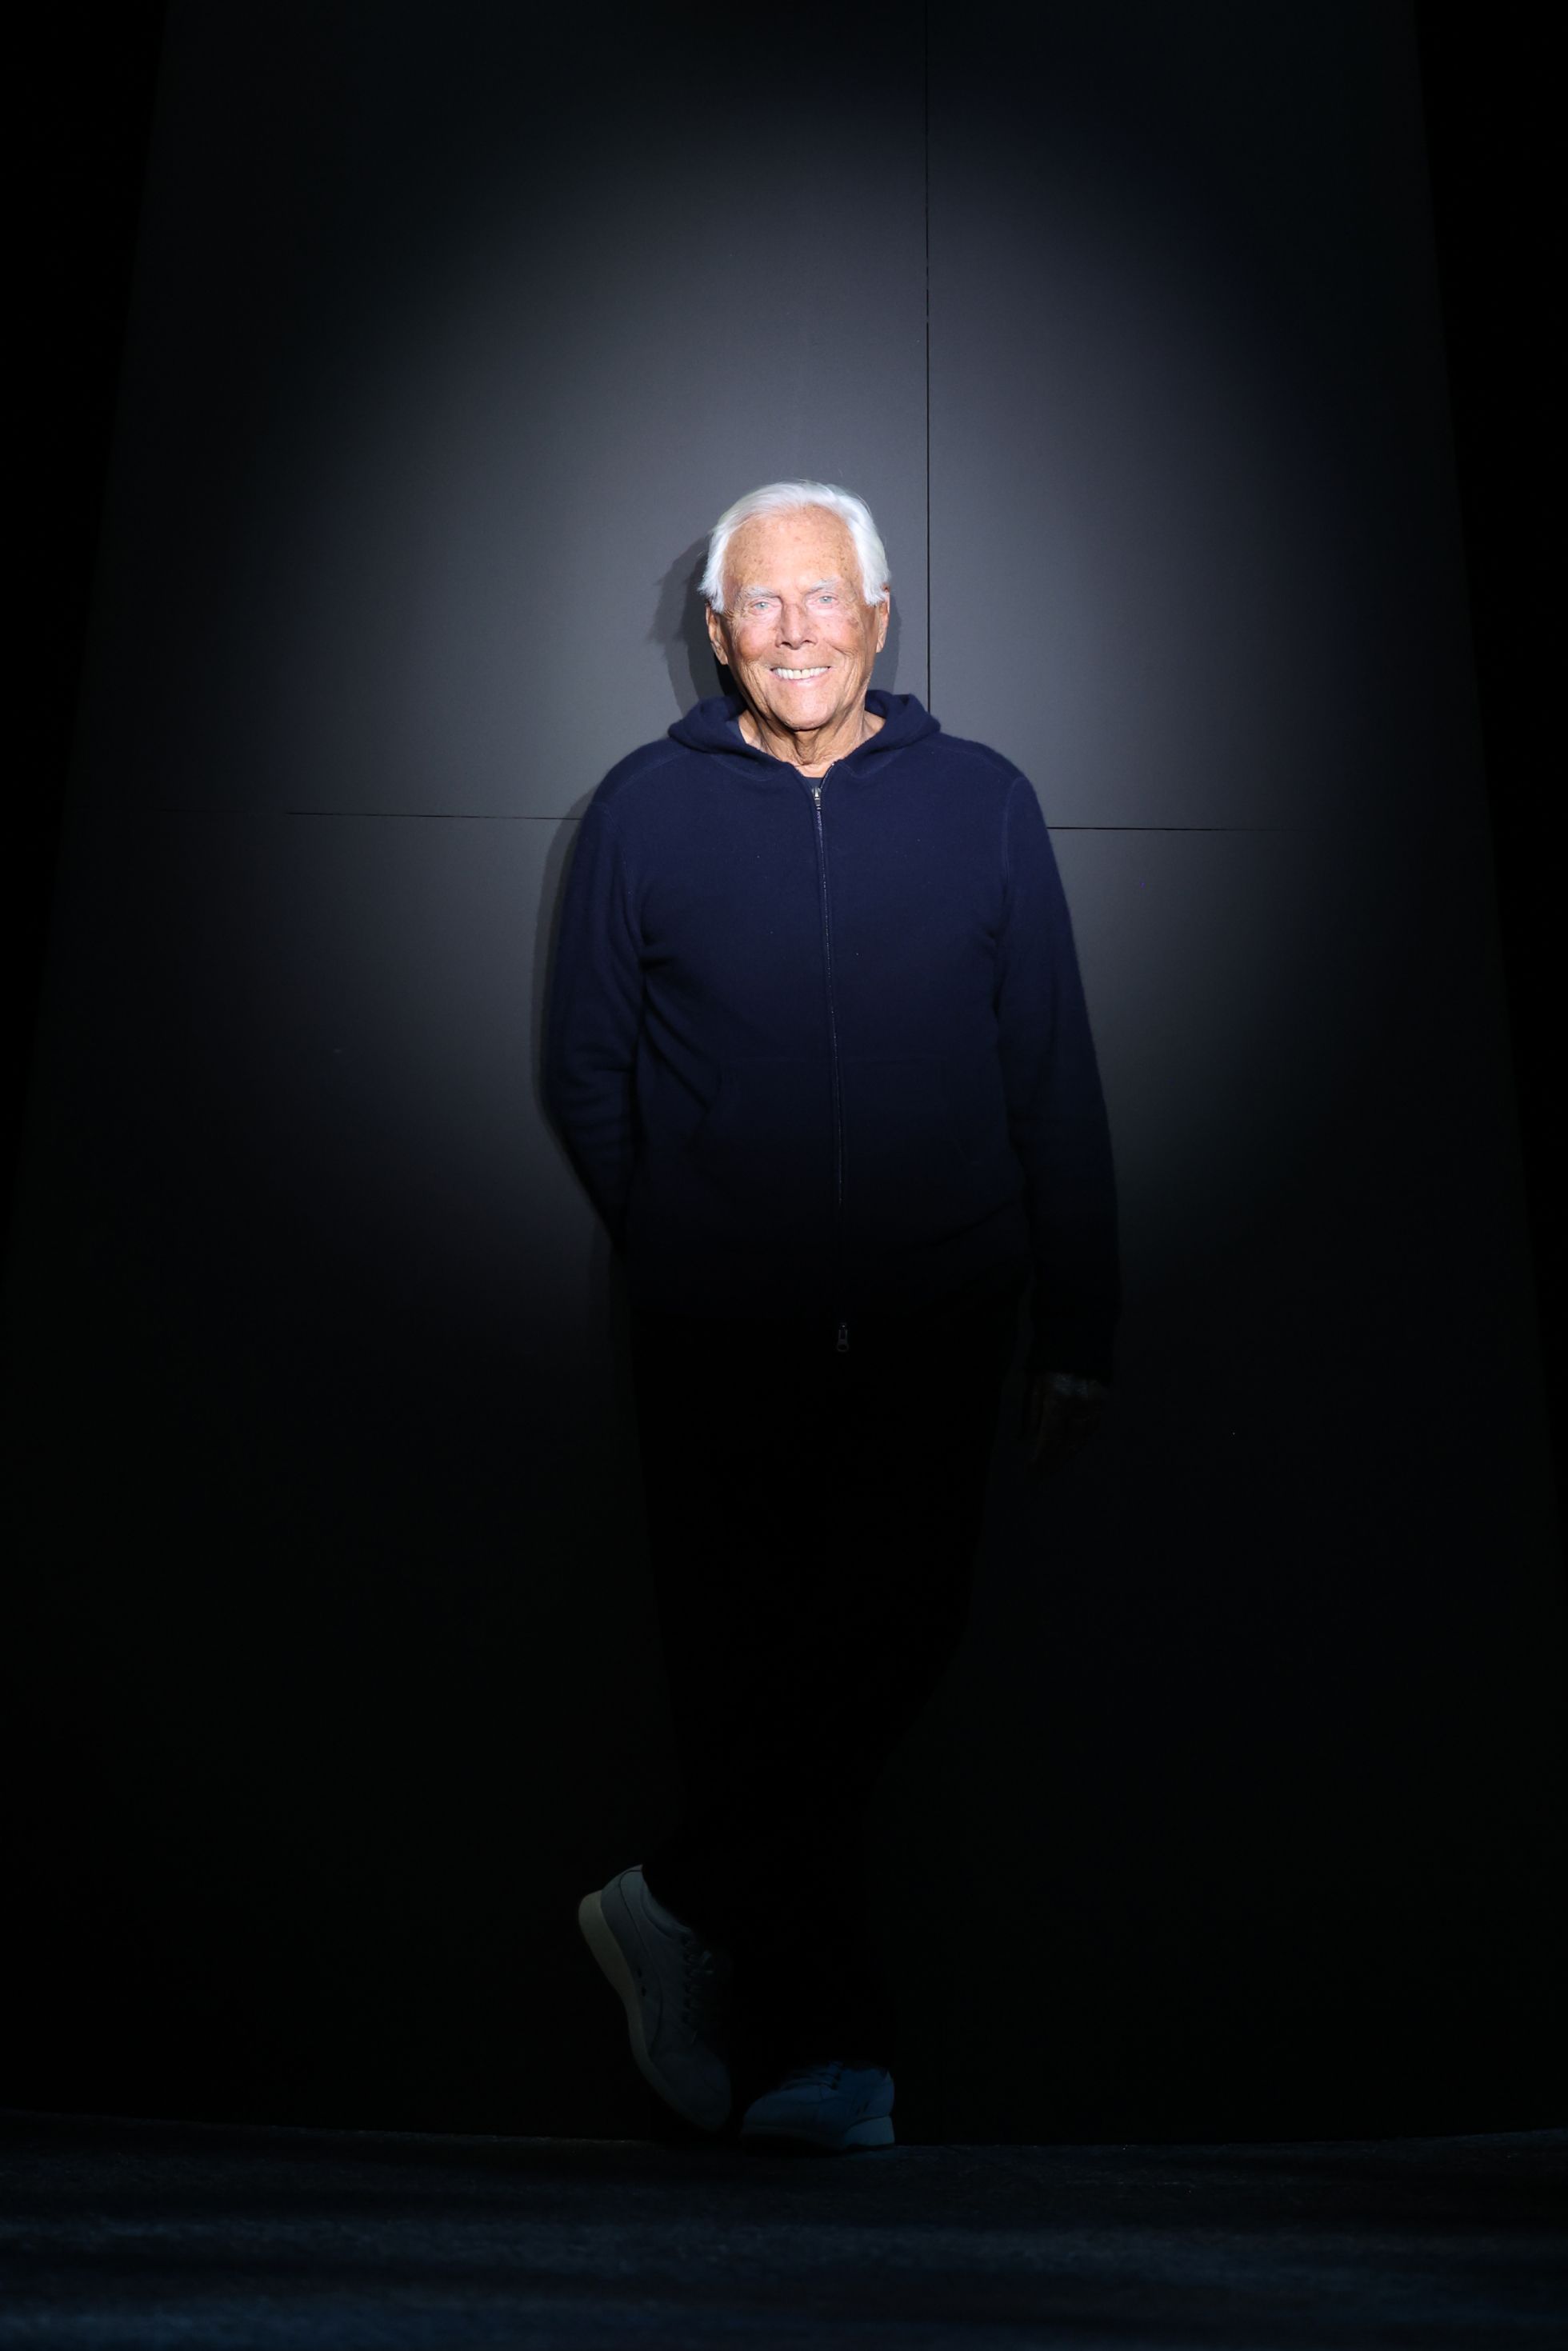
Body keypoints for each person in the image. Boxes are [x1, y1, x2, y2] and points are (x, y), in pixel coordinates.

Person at [545, 480, 1118, 2153]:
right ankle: (826, 2067)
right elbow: (585, 1067)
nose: (793, 630)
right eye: (760, 603)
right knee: (744, 1682)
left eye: (822, 598)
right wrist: (691, 1243)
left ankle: (675, 1906)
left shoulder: (984, 802)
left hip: (943, 1318)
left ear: (878, 617)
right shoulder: (642, 810)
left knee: (876, 1653)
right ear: (717, 631)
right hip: (717, 1334)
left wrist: (1079, 1320)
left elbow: (1052, 1072)